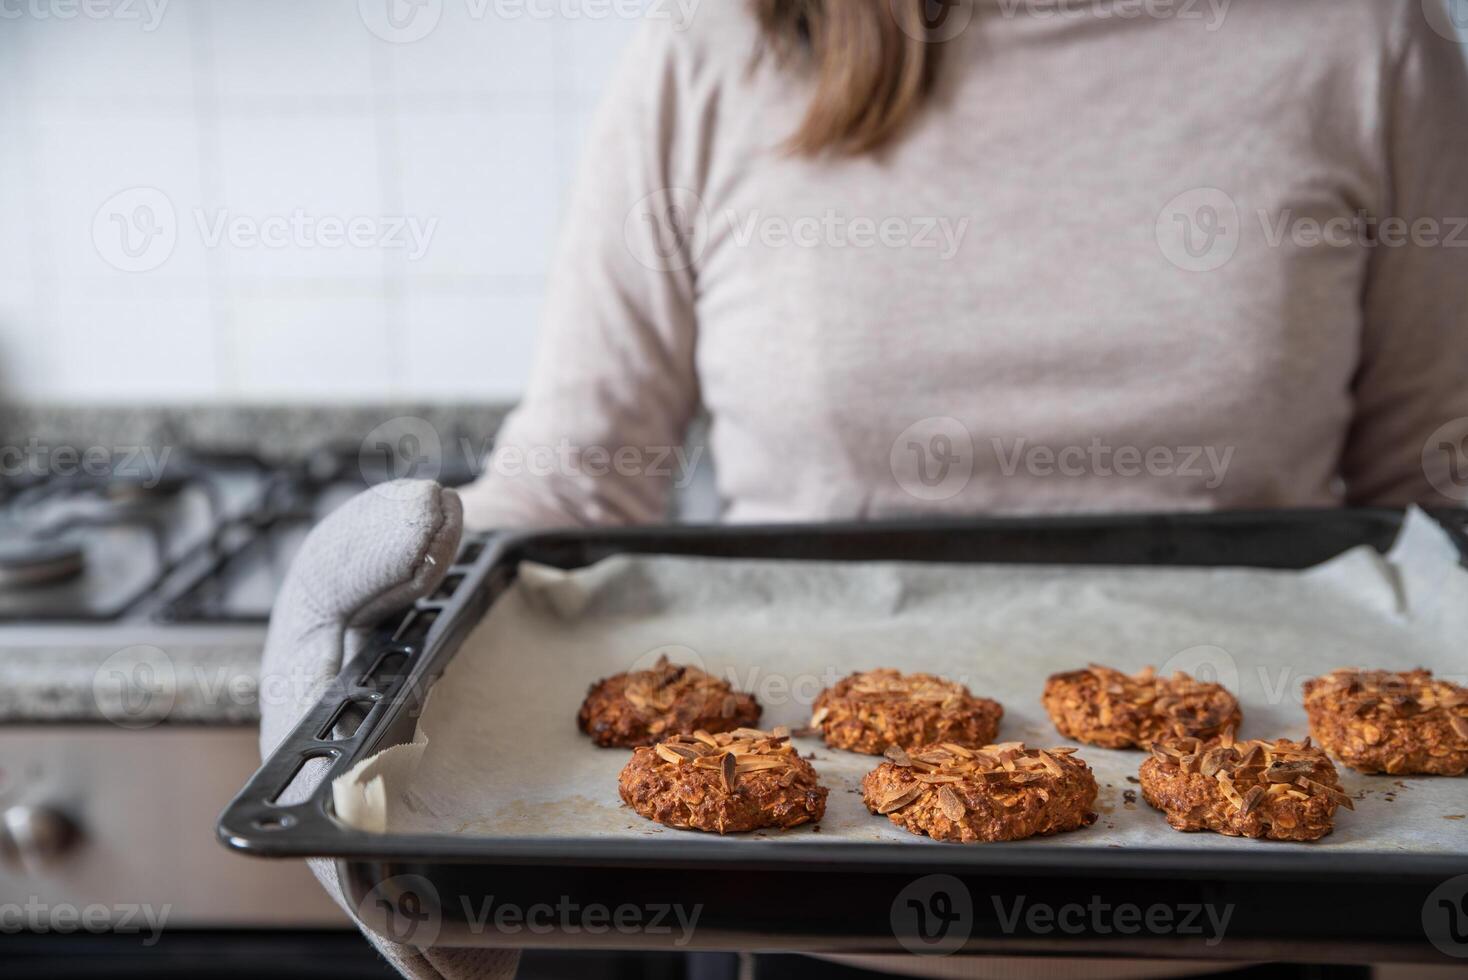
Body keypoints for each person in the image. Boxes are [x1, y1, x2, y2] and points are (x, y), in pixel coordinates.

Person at [259, 1, 1468, 977]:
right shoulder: (717, 44)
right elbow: (583, 470)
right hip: (790, 914)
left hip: (1275, 929)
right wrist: (392, 674)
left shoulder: (1368, 42)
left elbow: (1432, 486)